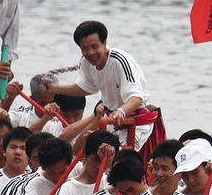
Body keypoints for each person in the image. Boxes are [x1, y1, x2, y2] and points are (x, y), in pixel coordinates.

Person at [45, 21, 158, 151]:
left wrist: (121, 111)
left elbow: (137, 96)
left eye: (94, 46)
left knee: (109, 157)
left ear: (104, 44)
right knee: (83, 151)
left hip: (135, 122)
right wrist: (54, 88)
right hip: (110, 120)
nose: (90, 53)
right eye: (85, 48)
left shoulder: (119, 61)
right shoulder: (85, 62)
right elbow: (85, 87)